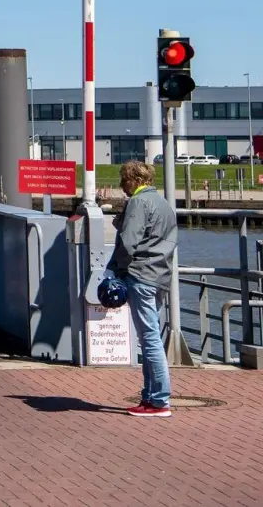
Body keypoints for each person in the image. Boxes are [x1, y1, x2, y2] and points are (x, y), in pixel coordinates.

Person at [111, 159, 178, 418]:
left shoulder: (138, 202)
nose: (121, 185)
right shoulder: (163, 204)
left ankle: (159, 400)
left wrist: (116, 270)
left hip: (140, 275)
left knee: (149, 339)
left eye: (123, 180)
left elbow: (129, 244)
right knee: (153, 337)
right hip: (160, 275)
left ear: (133, 180)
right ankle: (150, 397)